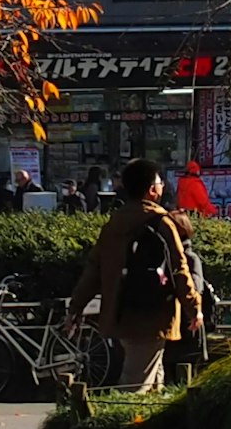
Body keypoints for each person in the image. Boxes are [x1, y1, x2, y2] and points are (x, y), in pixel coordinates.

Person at [74, 162, 201, 388]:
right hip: (153, 313)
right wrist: (194, 307)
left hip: (120, 309)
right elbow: (179, 269)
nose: (163, 187)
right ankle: (118, 423)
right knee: (134, 388)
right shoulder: (162, 222)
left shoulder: (114, 224)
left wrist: (75, 308)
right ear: (152, 190)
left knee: (154, 382)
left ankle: (152, 423)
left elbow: (94, 269)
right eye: (160, 183)